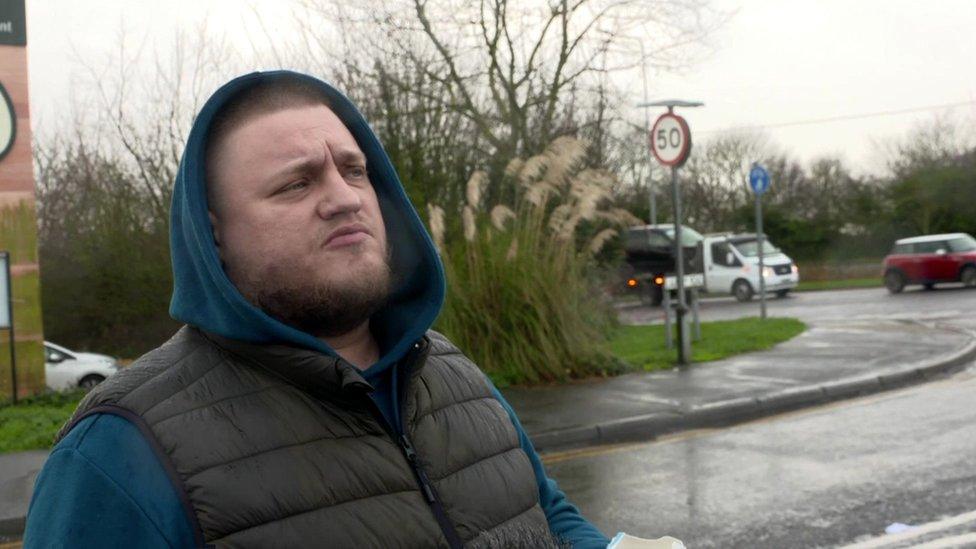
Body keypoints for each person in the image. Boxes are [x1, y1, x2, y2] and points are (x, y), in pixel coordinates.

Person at [24, 70, 610, 548]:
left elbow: (545, 517)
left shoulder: (455, 374)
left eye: (354, 171)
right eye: (296, 184)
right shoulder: (119, 451)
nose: (345, 198)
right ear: (214, 235)